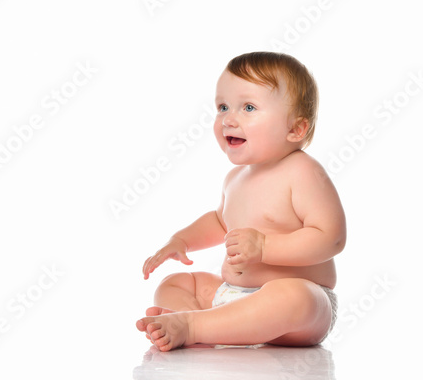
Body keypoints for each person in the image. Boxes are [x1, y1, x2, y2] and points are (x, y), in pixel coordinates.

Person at [136, 52, 346, 352]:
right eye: (222, 107)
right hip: (233, 293)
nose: (229, 119)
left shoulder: (303, 172)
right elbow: (220, 222)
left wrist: (264, 248)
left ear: (295, 129)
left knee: (295, 296)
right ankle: (210, 323)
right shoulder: (236, 177)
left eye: (248, 107)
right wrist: (181, 240)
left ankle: (194, 326)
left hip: (300, 311)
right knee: (178, 283)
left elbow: (331, 237)